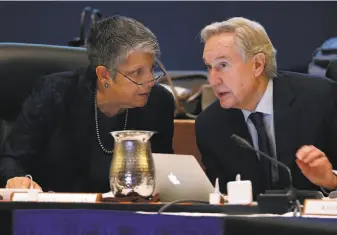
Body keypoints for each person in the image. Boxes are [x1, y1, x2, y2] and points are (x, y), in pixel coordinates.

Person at [0, 16, 175, 193]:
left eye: (151, 68)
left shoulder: (159, 103)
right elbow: (12, 158)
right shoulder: (55, 94)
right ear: (104, 75)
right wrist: (19, 179)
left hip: (127, 212)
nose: (150, 81)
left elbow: (164, 173)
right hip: (57, 210)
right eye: (137, 72)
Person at [196, 17, 337, 197]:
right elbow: (221, 196)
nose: (213, 80)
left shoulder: (320, 98)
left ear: (257, 65)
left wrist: (331, 180)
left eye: (223, 65)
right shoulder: (210, 125)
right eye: (209, 67)